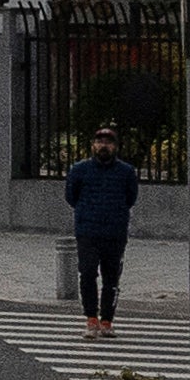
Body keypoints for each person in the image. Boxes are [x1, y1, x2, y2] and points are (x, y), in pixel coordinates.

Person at [65, 123, 142, 333]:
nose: (103, 146)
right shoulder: (79, 170)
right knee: (88, 273)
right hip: (88, 232)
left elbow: (130, 198)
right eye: (100, 142)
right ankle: (91, 318)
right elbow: (71, 197)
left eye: (108, 142)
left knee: (111, 277)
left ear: (115, 147)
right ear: (93, 145)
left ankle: (107, 320)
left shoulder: (126, 172)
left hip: (115, 233)